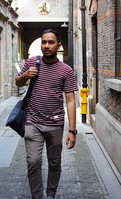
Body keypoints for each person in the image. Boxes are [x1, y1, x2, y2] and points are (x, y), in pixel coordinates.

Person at [15, 29, 78, 199]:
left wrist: (72, 130)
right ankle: (38, 197)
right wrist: (26, 75)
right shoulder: (31, 63)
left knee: (55, 163)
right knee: (33, 161)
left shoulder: (66, 70)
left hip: (55, 124)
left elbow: (70, 100)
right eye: (44, 42)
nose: (46, 46)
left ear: (58, 45)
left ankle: (51, 194)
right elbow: (18, 82)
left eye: (51, 42)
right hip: (32, 121)